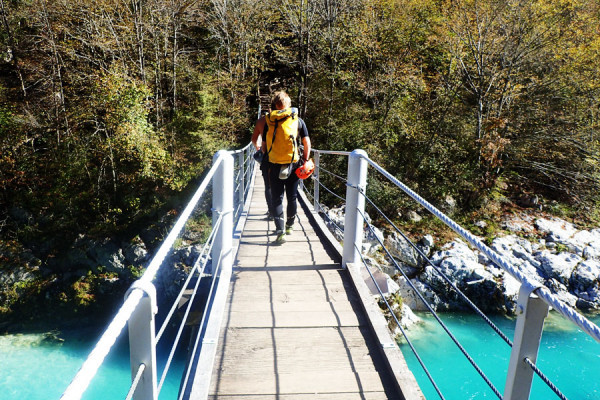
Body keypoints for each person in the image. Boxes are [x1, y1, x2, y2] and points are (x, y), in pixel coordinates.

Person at [263, 91, 311, 244]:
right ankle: (290, 225)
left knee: (277, 198)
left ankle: (280, 231)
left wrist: (271, 158)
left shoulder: (269, 121)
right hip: (294, 164)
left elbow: (264, 146)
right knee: (292, 196)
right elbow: (306, 143)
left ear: (275, 105)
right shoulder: (298, 120)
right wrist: (305, 159)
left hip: (275, 164)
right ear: (288, 104)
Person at [251, 111, 273, 219]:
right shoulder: (285, 119)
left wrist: (258, 148)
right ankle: (279, 211)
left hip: (266, 156)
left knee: (268, 185)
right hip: (282, 157)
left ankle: (271, 211)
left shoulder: (261, 121)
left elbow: (254, 139)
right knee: (279, 185)